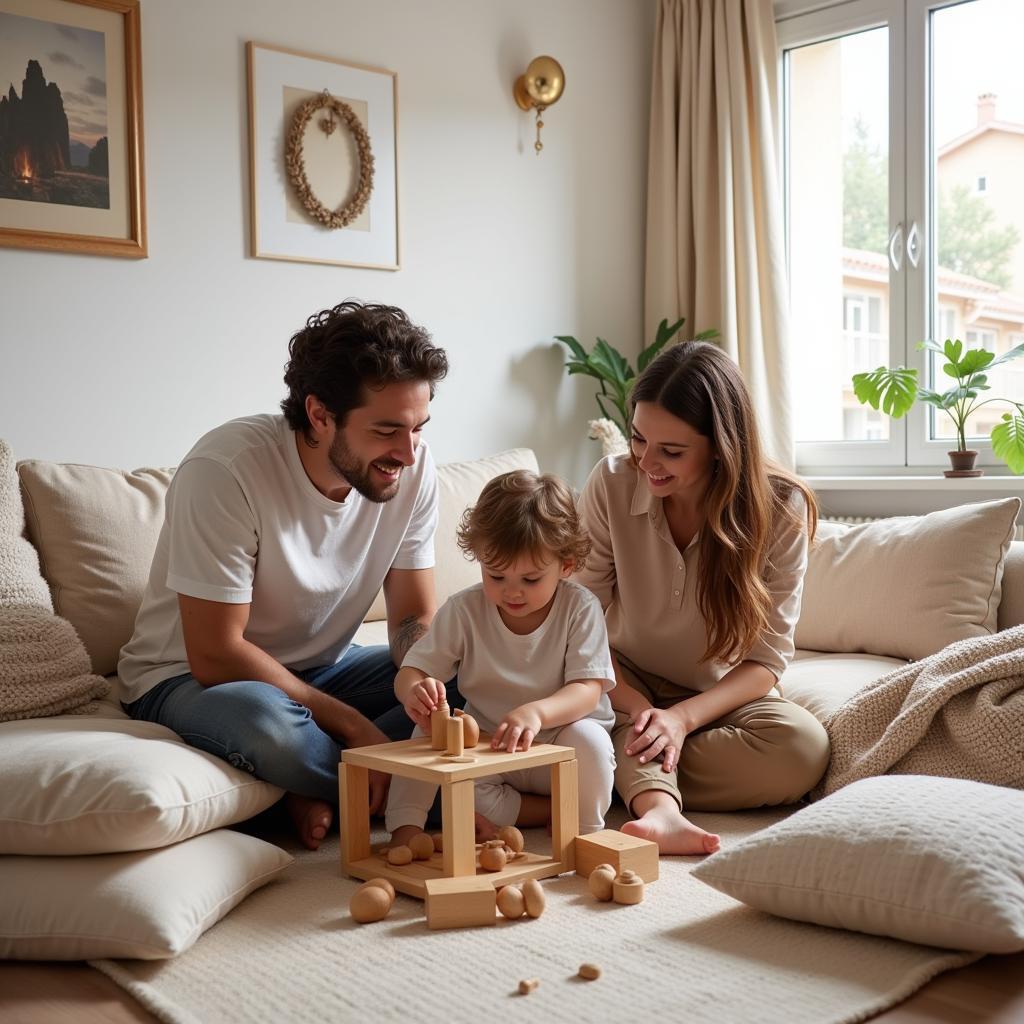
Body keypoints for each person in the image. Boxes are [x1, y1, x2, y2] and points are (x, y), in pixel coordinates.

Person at [118, 301, 454, 850]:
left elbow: (415, 618)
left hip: (320, 671)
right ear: (320, 414)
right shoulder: (227, 470)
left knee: (473, 671)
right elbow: (217, 654)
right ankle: (417, 796)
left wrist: (423, 677)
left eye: (419, 428)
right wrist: (353, 727)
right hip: (187, 678)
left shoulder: (413, 469)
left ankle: (308, 791)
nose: (409, 452)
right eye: (388, 429)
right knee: (269, 727)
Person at [575, 340, 830, 856]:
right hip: (621, 675)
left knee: (803, 749)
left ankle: (627, 773)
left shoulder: (780, 508)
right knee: (592, 716)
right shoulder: (611, 482)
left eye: (671, 451)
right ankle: (659, 809)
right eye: (638, 439)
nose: (648, 462)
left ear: (721, 445)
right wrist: (643, 708)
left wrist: (682, 720)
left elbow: (768, 660)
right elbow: (581, 621)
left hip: (718, 697)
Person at [384, 470, 616, 849]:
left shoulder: (580, 607)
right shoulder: (465, 609)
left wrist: (536, 714)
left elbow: (588, 690)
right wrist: (414, 690)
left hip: (560, 742)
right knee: (427, 741)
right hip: (490, 747)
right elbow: (414, 668)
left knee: (591, 744)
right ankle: (406, 830)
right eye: (496, 575)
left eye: (530, 580)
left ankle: (583, 830)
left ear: (567, 565)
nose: (512, 593)